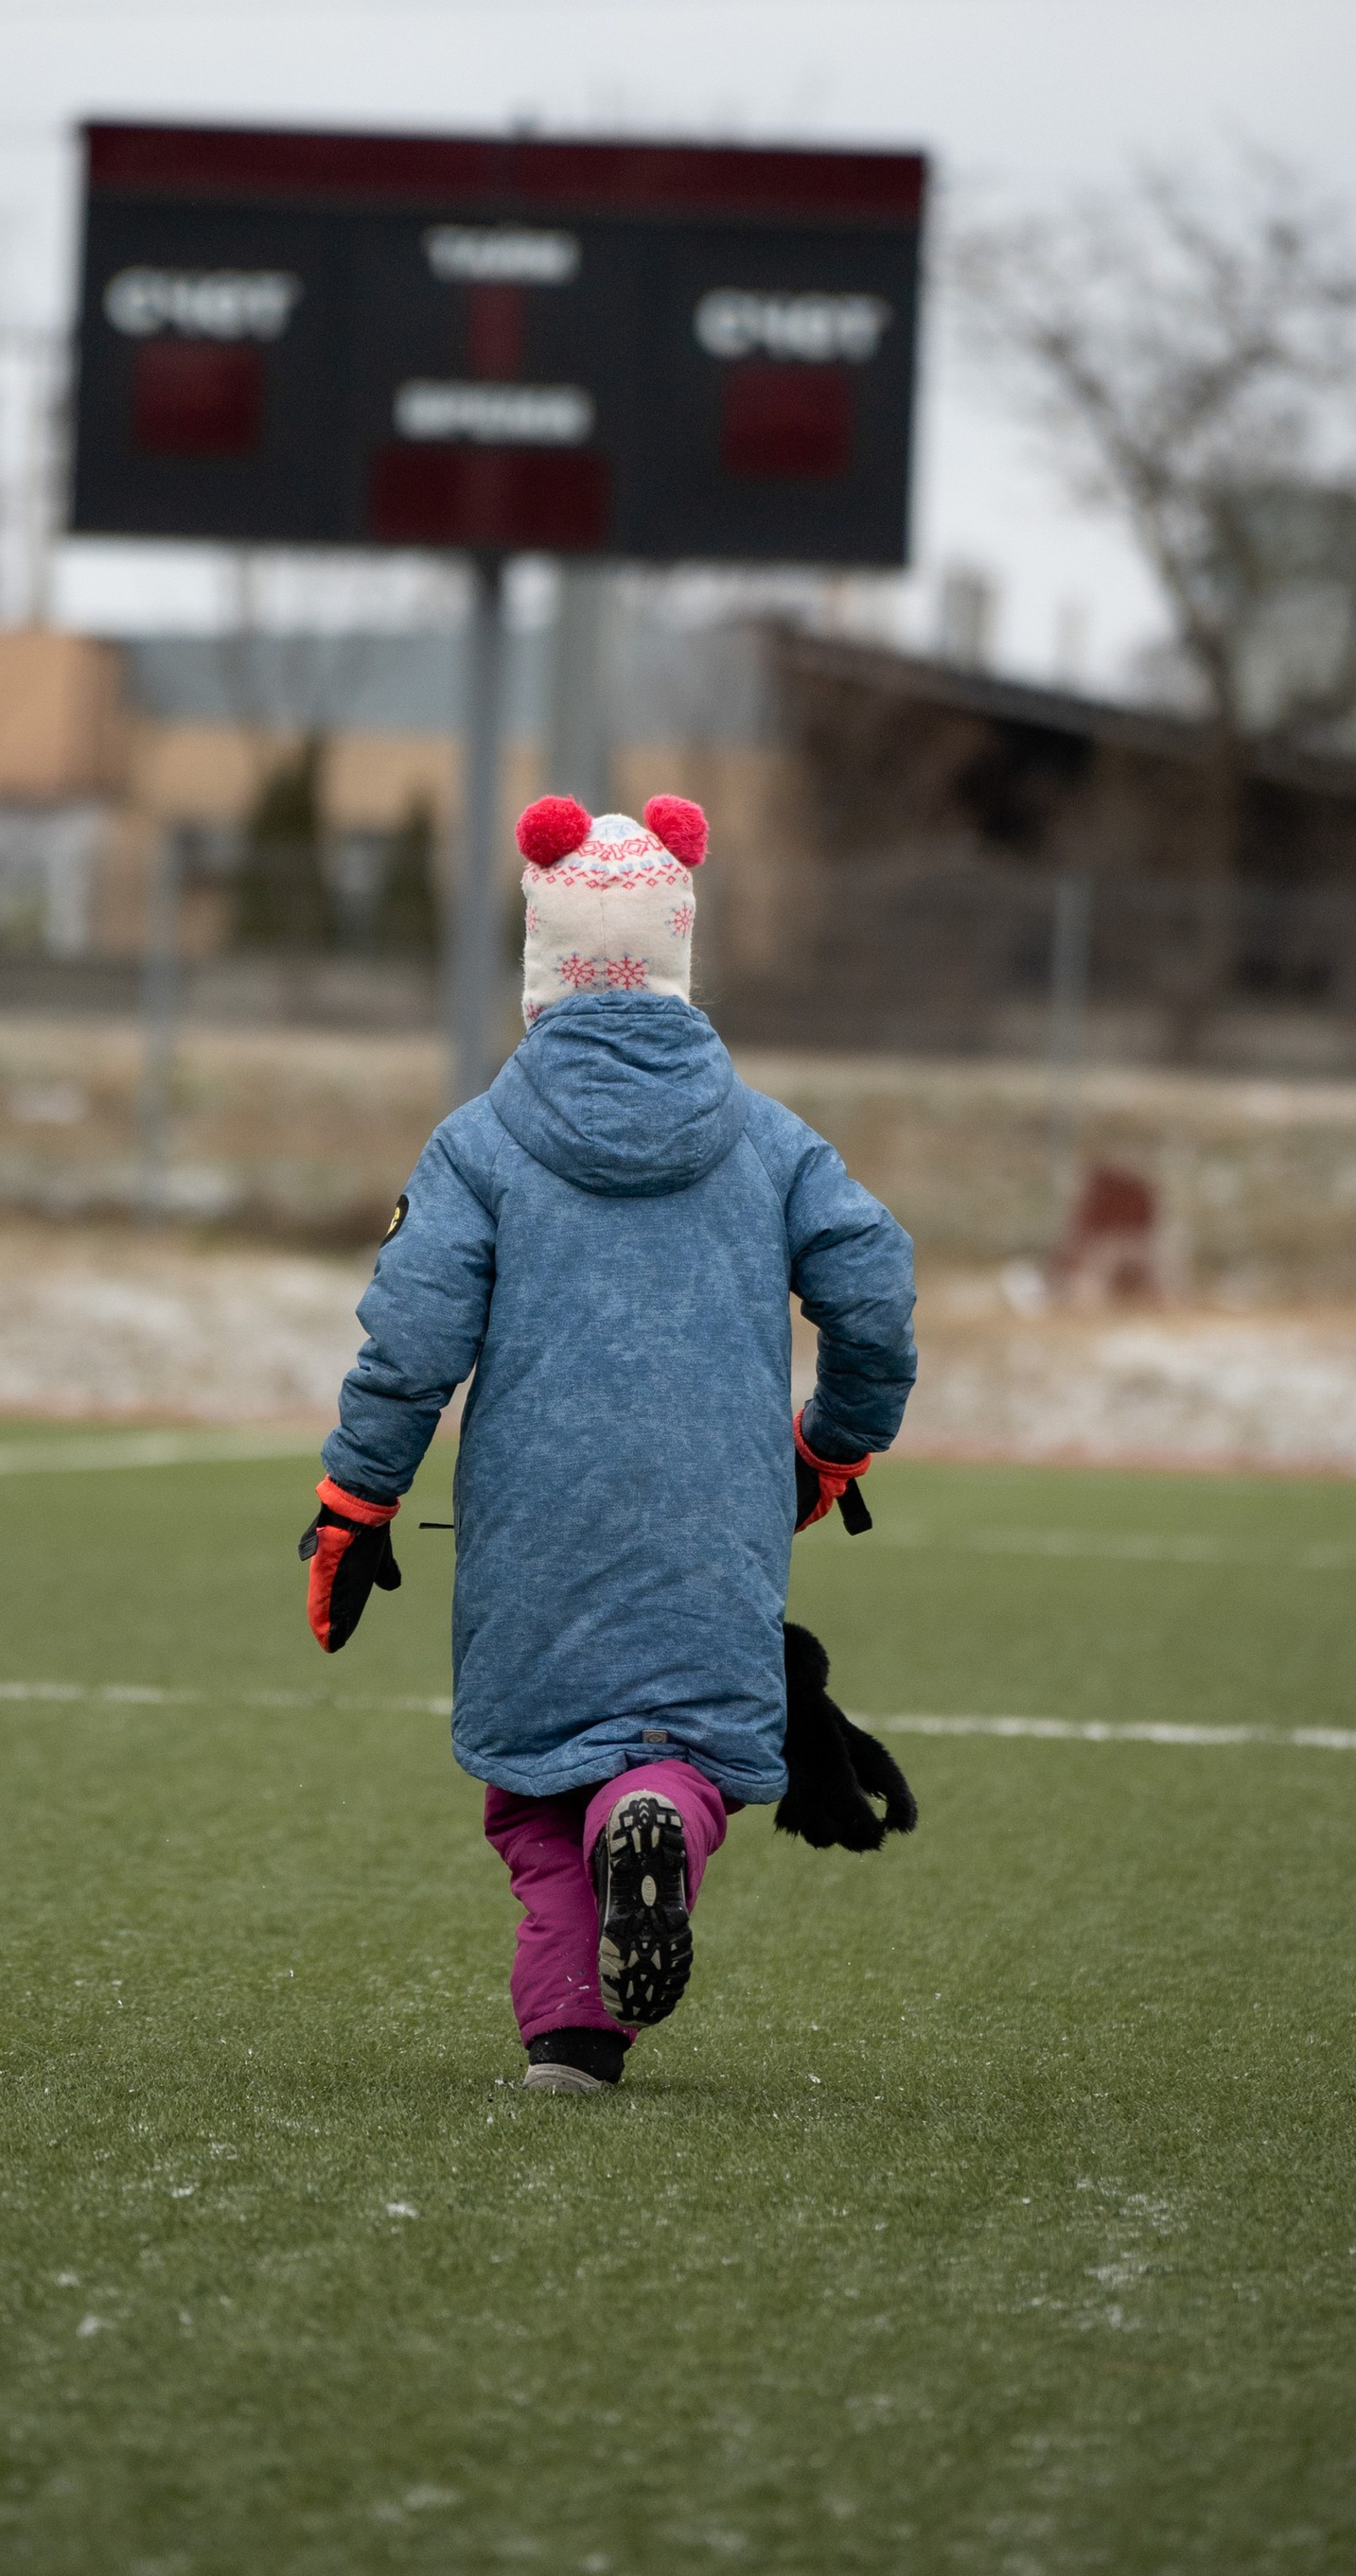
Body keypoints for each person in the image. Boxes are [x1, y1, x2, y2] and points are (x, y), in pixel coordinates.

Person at [299, 790, 918, 2094]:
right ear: (678, 948)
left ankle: (573, 2039)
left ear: (542, 957)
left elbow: (410, 1343)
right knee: (683, 1750)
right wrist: (835, 1442)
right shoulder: (772, 1144)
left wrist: (357, 1500)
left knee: (540, 1794)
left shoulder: (480, 1146)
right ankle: (660, 1819)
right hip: (717, 1528)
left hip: (535, 1533)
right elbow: (872, 1286)